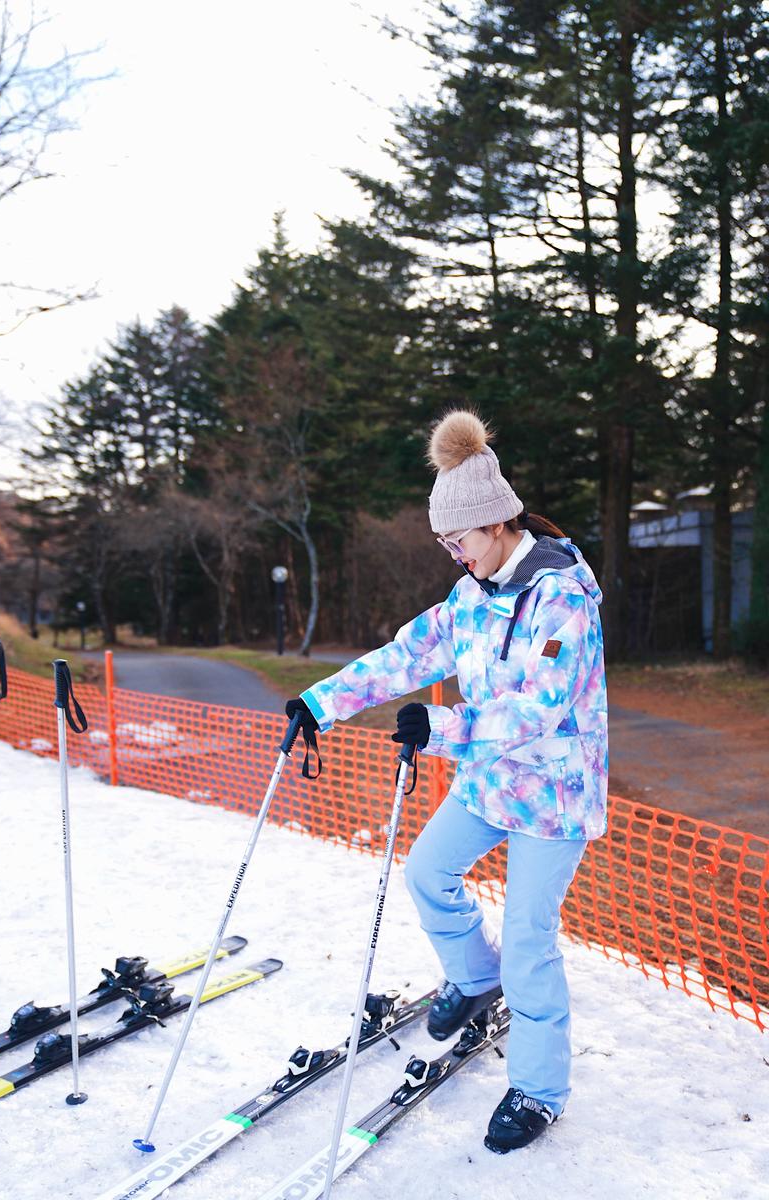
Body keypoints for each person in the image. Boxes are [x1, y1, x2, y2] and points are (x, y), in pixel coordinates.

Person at [285, 409, 608, 1154]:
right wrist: (320, 703)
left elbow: (543, 706)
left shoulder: (560, 597)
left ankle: (538, 1088)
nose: (451, 554)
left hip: (552, 794)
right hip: (491, 781)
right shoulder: (472, 596)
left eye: (456, 540)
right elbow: (405, 657)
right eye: (443, 543)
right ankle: (473, 976)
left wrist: (446, 729)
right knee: (429, 873)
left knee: (530, 936)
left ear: (494, 524)